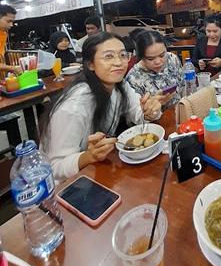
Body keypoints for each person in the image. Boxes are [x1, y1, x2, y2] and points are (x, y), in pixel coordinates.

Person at [40, 32, 162, 181]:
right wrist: (89, 156)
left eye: (123, 55)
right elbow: (55, 167)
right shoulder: (74, 106)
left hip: (98, 171)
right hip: (65, 185)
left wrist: (151, 109)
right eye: (108, 56)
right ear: (90, 64)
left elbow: (137, 112)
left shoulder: (119, 84)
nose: (119, 62)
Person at [127, 30, 184, 108]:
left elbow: (183, 85)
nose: (158, 62)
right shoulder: (133, 79)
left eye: (162, 55)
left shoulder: (172, 59)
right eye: (150, 59)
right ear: (141, 57)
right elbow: (137, 115)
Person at [0, 4, 21, 74]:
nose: (11, 25)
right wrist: (12, 68)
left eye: (12, 22)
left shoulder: (3, 34)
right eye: (9, 21)